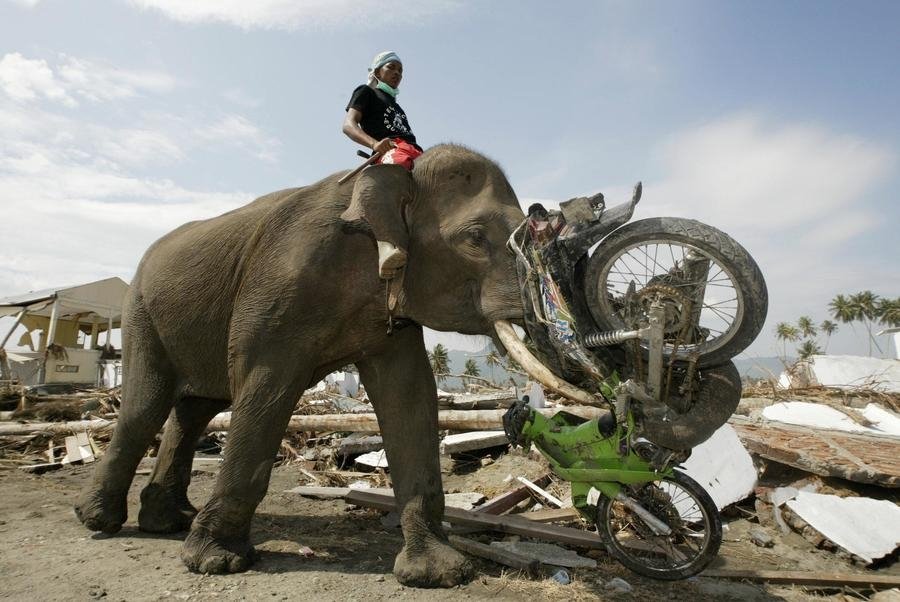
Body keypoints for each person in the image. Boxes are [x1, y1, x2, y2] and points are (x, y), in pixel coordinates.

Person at [342, 51, 422, 279]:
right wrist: (374, 144)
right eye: (392, 67)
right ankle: (387, 245)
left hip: (414, 150)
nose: (397, 73)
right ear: (377, 71)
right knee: (393, 170)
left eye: (401, 71)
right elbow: (348, 125)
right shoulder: (365, 92)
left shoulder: (398, 108)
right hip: (391, 152)